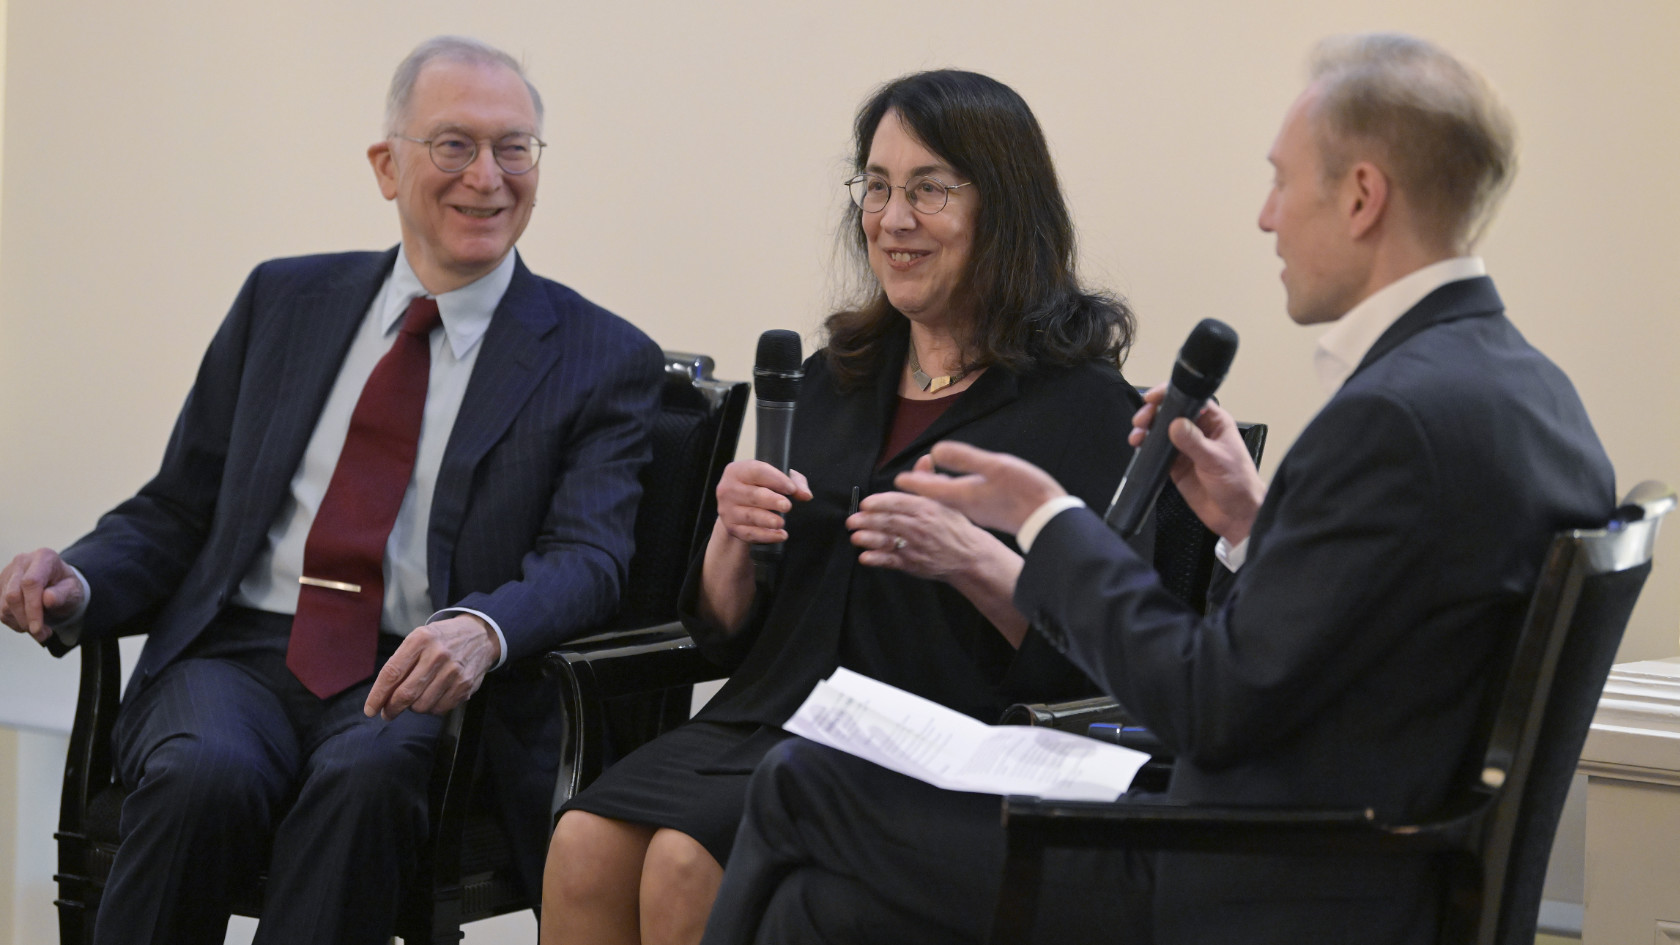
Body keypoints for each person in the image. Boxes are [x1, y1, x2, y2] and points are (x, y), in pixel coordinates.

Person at [697, 33, 1617, 945]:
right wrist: (1249, 525)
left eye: (1282, 182)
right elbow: (1349, 648)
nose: (1266, 217)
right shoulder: (1526, 392)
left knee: (798, 789)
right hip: (1349, 857)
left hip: (1253, 878)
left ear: (1362, 196)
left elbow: (1205, 702)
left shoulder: (1395, 418)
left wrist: (1047, 520)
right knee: (814, 906)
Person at [0, 36, 664, 945]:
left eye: (515, 148)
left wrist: (483, 627)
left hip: (415, 674)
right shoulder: (284, 302)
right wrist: (79, 578)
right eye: (454, 145)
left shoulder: (598, 356)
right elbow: (179, 507)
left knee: (367, 778)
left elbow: (589, 559)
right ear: (387, 167)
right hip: (235, 657)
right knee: (205, 775)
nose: (489, 175)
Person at [541, 69, 1144, 945]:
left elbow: (1105, 655)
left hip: (938, 744)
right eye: (877, 185)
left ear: (1004, 210)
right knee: (582, 842)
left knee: (683, 859)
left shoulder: (1086, 408)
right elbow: (725, 633)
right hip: (774, 712)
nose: (892, 219)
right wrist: (731, 537)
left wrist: (975, 564)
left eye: (929, 189)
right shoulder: (835, 378)